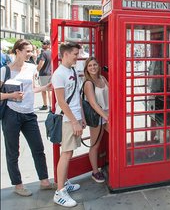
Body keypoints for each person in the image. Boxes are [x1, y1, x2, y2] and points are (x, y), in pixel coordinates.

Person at [0, 39, 55, 197]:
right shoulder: (5, 70)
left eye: (32, 51)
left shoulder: (32, 68)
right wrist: (11, 95)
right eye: (28, 51)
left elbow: (32, 89)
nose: (31, 54)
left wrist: (45, 87)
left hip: (29, 113)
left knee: (38, 148)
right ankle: (18, 185)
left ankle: (44, 181)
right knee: (13, 152)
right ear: (18, 51)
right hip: (11, 113)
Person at [51, 42, 85, 208]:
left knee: (70, 152)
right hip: (67, 120)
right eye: (75, 54)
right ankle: (60, 192)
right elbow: (62, 102)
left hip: (76, 118)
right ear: (65, 54)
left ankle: (64, 182)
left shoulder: (72, 70)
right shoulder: (59, 74)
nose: (77, 57)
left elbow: (77, 95)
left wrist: (82, 118)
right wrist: (73, 121)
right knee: (66, 153)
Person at [82, 57, 109, 183]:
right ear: (86, 69)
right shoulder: (88, 83)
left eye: (95, 65)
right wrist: (105, 116)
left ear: (98, 66)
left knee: (116, 138)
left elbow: (113, 93)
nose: (93, 67)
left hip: (108, 114)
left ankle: (113, 163)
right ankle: (95, 171)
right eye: (90, 66)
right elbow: (93, 103)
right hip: (98, 116)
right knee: (95, 144)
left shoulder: (102, 78)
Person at [37, 40, 52, 111]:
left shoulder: (44, 53)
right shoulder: (52, 52)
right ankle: (51, 106)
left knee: (44, 90)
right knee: (50, 90)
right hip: (51, 73)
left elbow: (41, 63)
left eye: (45, 44)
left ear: (48, 45)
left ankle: (45, 105)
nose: (43, 45)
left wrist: (37, 69)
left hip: (43, 73)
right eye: (43, 43)